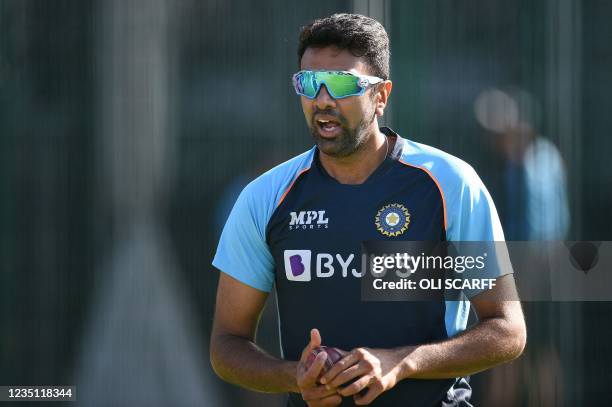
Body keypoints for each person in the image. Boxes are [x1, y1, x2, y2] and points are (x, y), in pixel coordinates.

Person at [210, 13, 526, 407]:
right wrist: (295, 377)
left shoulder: (451, 185)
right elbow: (226, 345)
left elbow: (507, 329)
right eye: (308, 83)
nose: (322, 98)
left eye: (341, 83)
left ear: (381, 96)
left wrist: (401, 363)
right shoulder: (265, 197)